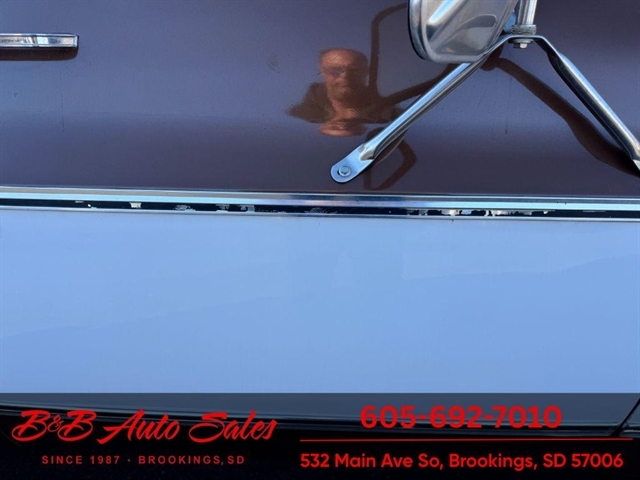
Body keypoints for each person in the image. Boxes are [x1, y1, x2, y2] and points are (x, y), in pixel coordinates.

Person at [288, 48, 399, 136]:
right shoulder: (297, 117)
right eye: (334, 70)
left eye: (354, 70)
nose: (345, 76)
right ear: (322, 72)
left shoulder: (397, 118)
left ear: (366, 72)